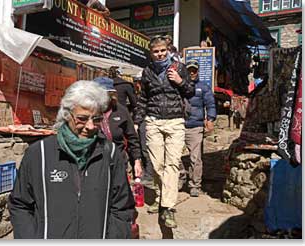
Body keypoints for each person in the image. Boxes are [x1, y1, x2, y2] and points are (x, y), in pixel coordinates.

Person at [8, 80, 135, 239]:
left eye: (96, 119)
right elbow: (20, 205)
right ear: (67, 115)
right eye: (82, 118)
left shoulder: (110, 154)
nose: (90, 126)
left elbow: (122, 207)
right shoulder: (39, 154)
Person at [133, 35, 195, 228]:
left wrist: (179, 81)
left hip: (175, 121)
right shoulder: (147, 72)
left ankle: (168, 207)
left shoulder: (179, 68)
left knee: (172, 164)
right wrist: (137, 121)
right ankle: (160, 196)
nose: (160, 54)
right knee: (157, 164)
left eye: (162, 50)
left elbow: (190, 91)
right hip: (153, 121)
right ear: (151, 54)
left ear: (167, 50)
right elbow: (143, 98)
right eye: (156, 51)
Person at [93, 76, 143, 179]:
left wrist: (137, 161)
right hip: (95, 161)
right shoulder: (89, 111)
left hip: (118, 159)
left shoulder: (121, 111)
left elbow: (132, 138)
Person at [184, 59, 216, 197]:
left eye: (194, 70)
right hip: (178, 125)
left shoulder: (203, 87)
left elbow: (210, 104)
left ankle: (195, 185)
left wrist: (210, 119)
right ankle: (180, 178)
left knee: (195, 158)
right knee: (173, 156)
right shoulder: (179, 86)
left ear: (197, 71)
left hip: (195, 126)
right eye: (189, 70)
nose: (191, 73)